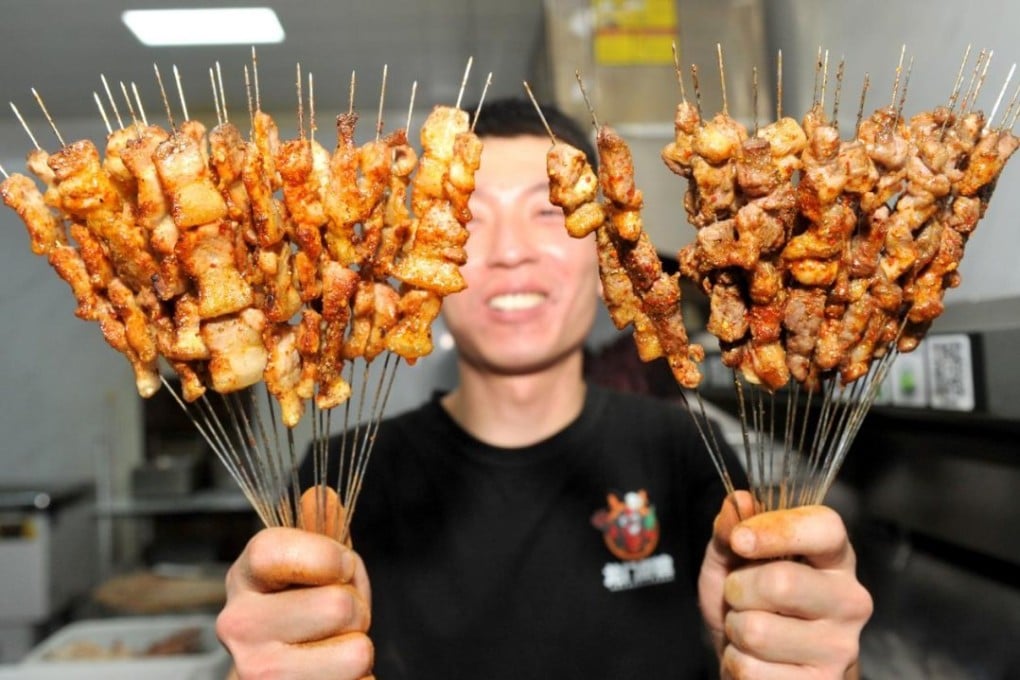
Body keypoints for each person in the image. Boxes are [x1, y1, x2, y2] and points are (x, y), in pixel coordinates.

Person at [216, 97, 873, 679]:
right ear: (422, 257)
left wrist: (802, 658)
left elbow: (780, 642)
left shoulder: (685, 452)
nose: (511, 252)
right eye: (469, 219)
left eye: (549, 210)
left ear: (605, 254)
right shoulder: (340, 480)